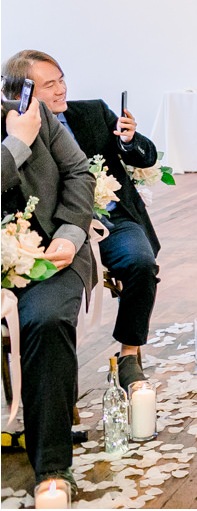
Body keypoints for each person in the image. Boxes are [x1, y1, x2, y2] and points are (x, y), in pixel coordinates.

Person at [3, 51, 159, 390]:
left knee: (141, 262)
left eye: (61, 80)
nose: (61, 90)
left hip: (110, 219)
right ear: (22, 94)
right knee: (52, 303)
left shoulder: (91, 112)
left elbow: (146, 156)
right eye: (49, 85)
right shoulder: (13, 130)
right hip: (54, 228)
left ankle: (129, 353)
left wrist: (131, 140)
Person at [2, 93, 94, 501]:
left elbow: (79, 172)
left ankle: (52, 467)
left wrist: (70, 234)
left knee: (47, 318)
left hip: (49, 257)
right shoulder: (21, 129)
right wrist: (16, 145)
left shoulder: (28, 110)